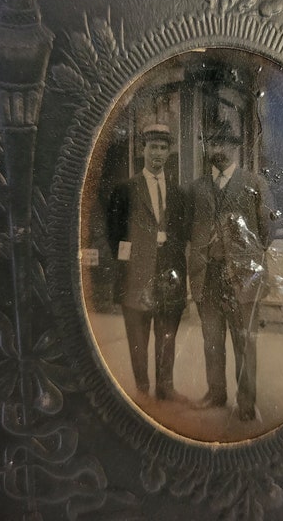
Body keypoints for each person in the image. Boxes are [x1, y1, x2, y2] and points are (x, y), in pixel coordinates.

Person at [188, 122, 274, 421]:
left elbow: (267, 230)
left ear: (236, 147)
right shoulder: (197, 188)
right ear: (206, 148)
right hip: (207, 275)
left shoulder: (255, 183)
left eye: (225, 143)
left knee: (244, 341)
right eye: (213, 144)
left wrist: (244, 254)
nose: (219, 149)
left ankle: (246, 404)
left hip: (243, 276)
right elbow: (190, 230)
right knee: (211, 340)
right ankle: (216, 394)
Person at [106, 124, 188, 401]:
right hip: (136, 273)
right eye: (153, 146)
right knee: (138, 335)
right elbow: (114, 233)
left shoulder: (177, 193)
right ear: (143, 150)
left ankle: (165, 387)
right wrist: (129, 261)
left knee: (167, 333)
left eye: (164, 148)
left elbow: (182, 234)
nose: (158, 153)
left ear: (169, 152)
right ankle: (142, 388)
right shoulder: (126, 190)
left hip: (169, 273)